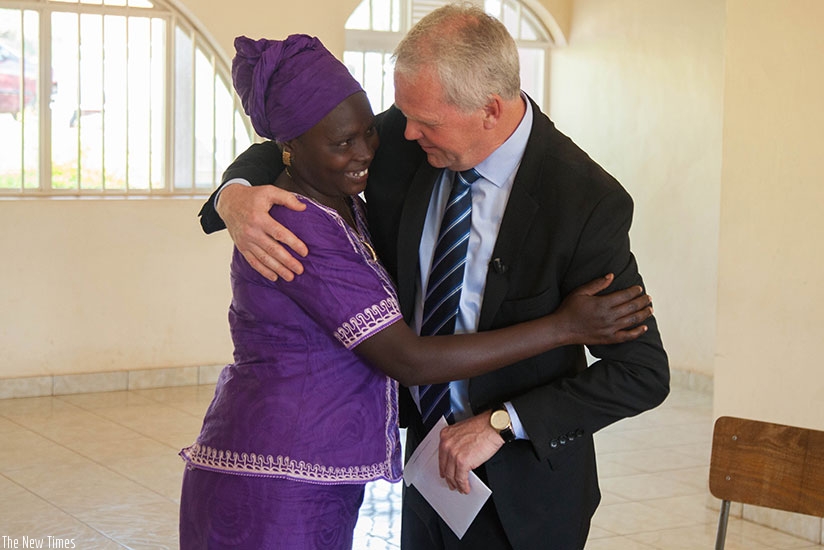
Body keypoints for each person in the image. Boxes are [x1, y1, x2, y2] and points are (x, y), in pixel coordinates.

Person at [183, 32, 655, 550]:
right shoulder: (406, 143)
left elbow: (641, 375)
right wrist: (235, 196)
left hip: (526, 496)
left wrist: (503, 423)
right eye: (401, 115)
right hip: (425, 474)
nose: (400, 134)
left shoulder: (585, 201)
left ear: (489, 110)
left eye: (423, 122)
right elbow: (286, 144)